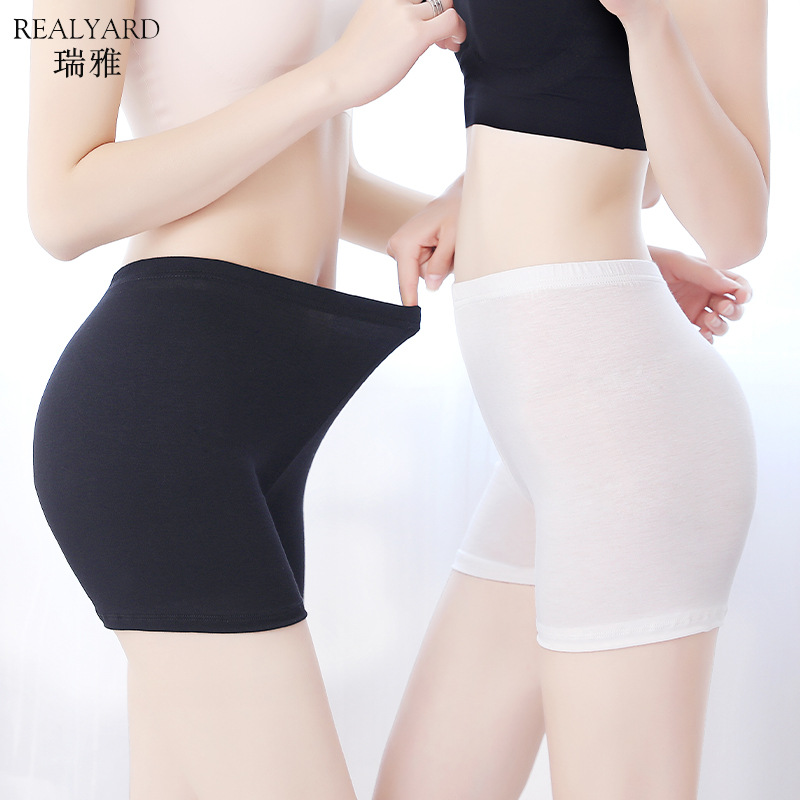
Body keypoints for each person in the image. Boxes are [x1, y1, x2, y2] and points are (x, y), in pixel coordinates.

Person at [27, 1, 467, 798]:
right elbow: (62, 205)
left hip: (261, 414)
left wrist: (582, 247)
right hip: (163, 412)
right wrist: (334, 76)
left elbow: (325, 172)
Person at [375, 1, 768, 799]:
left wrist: (648, 25)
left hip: (631, 436)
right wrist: (466, 192)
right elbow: (573, 104)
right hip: (544, 447)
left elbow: (735, 227)